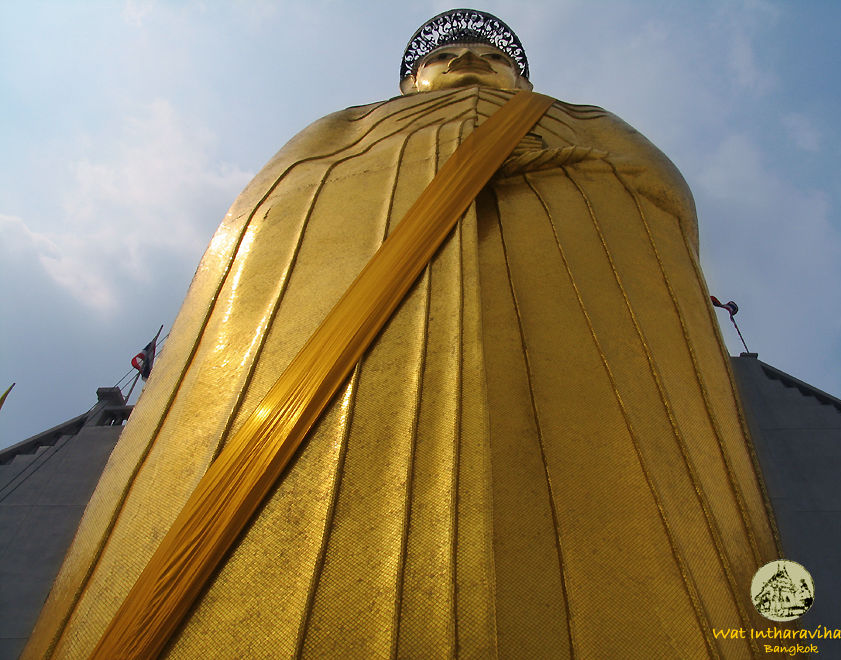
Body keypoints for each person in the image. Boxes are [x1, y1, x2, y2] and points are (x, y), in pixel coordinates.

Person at [26, 10, 784, 658]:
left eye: (487, 59)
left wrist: (559, 163)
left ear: (518, 80)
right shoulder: (346, 127)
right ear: (410, 80)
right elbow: (271, 210)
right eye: (448, 59)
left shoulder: (582, 122)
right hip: (339, 329)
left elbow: (658, 195)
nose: (468, 66)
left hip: (558, 292)